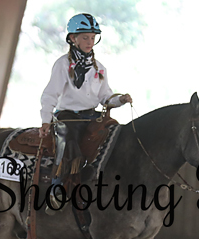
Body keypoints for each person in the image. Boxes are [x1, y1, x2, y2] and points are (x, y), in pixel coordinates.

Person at [39, 13, 132, 183]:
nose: (90, 42)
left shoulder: (100, 68)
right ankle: (57, 186)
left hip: (92, 116)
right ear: (73, 38)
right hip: (68, 117)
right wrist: (46, 120)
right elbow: (50, 94)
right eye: (85, 37)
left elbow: (105, 97)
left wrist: (120, 100)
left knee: (114, 135)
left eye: (92, 38)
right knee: (68, 144)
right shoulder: (63, 64)